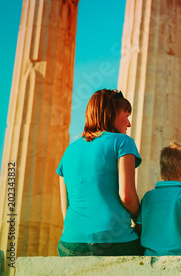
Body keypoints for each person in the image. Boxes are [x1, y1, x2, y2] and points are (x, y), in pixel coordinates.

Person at [57, 89, 143, 256]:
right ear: (111, 114)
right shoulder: (123, 142)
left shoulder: (69, 151)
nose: (129, 124)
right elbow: (127, 196)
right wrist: (141, 219)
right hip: (114, 242)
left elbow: (65, 210)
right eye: (126, 116)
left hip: (70, 244)